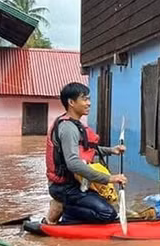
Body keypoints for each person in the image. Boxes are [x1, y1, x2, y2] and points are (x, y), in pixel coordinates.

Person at [45, 83, 127, 224]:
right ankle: (65, 209)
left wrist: (111, 150)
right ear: (71, 102)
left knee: (109, 203)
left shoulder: (75, 124)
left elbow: (86, 148)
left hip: (76, 183)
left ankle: (69, 210)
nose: (89, 103)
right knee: (108, 213)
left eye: (89, 99)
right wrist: (109, 178)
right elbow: (74, 164)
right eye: (84, 99)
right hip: (64, 187)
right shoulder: (68, 128)